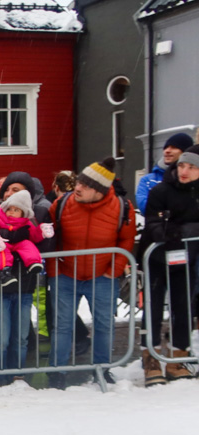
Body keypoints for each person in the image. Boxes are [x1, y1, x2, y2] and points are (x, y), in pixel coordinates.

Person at [45, 158, 136, 387]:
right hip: (65, 274)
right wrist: (54, 271)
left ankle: (102, 370)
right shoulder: (62, 203)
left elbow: (126, 240)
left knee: (104, 325)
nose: (78, 187)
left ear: (100, 191)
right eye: (79, 182)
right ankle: (57, 371)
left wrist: (113, 270)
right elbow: (52, 238)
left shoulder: (122, 208)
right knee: (63, 326)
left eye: (85, 185)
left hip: (102, 276)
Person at [0, 190, 50, 386]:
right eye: (12, 208)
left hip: (24, 287)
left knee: (21, 337)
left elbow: (39, 239)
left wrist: (43, 231)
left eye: (18, 210)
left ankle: (18, 374)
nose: (13, 212)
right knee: (1, 338)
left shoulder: (31, 220)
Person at [140, 143, 199, 384]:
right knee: (153, 308)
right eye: (182, 165)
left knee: (183, 307)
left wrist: (184, 230)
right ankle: (150, 357)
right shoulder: (161, 191)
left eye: (192, 167)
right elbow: (154, 224)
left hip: (187, 259)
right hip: (157, 257)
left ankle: (179, 356)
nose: (184, 171)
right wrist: (170, 230)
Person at [0, 190, 47, 288]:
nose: (12, 212)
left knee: (27, 244)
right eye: (9, 209)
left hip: (18, 244)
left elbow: (34, 236)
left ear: (23, 213)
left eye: (16, 210)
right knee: (0, 250)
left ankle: (34, 262)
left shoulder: (26, 223)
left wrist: (41, 231)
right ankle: (4, 271)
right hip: (2, 242)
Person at [136, 132, 193, 215]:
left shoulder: (192, 178)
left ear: (185, 152)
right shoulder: (148, 180)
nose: (167, 151)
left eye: (173, 147)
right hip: (158, 227)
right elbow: (146, 208)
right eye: (166, 148)